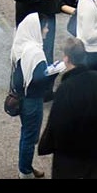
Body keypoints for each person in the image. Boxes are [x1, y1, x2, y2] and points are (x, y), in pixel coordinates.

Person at [36, 37, 97, 179]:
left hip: (71, 158)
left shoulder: (65, 89)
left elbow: (57, 123)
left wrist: (46, 145)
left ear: (66, 58)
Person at [10, 13, 61, 178]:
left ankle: (25, 166)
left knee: (26, 133)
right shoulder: (36, 52)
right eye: (44, 26)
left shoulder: (21, 46)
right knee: (30, 135)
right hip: (33, 100)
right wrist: (55, 71)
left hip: (22, 97)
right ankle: (25, 171)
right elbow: (40, 79)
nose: (46, 30)